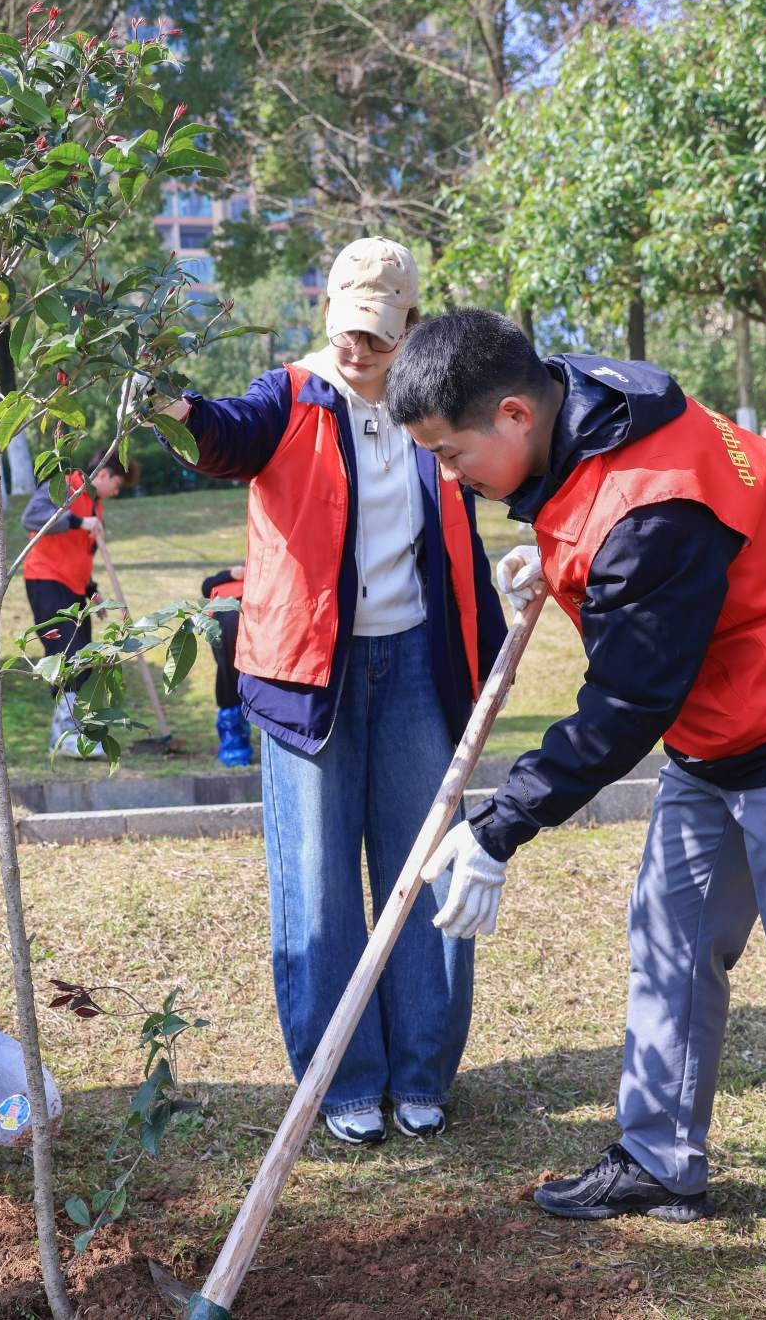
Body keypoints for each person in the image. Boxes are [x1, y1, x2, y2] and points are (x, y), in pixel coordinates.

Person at [388, 310, 766, 1320]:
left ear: (513, 413)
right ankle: (659, 1157)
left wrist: (500, 826)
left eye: (451, 455)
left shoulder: (652, 508)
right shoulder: (585, 397)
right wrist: (554, 555)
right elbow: (603, 531)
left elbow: (625, 704)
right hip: (718, 723)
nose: (447, 477)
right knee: (669, 939)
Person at [153, 237, 505, 1143]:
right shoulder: (292, 395)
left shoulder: (435, 402)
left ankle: (422, 1069)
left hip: (419, 666)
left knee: (423, 867)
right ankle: (342, 1081)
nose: (360, 349)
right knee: (318, 881)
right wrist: (171, 405)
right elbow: (224, 435)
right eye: (349, 329)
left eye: (380, 336)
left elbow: (492, 486)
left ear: (411, 328)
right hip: (312, 673)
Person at [21, 459, 131, 759]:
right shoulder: (64, 487)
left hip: (74, 588)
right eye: (117, 485)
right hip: (46, 580)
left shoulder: (96, 506)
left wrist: (91, 591)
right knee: (68, 656)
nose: (116, 492)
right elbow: (32, 518)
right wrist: (80, 522)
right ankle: (66, 736)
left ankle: (73, 734)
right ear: (104, 474)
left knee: (83, 658)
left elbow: (79, 555)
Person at [200, 563, 250, 766]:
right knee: (231, 683)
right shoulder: (224, 581)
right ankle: (235, 751)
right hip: (230, 620)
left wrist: (231, 573)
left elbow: (206, 586)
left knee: (229, 682)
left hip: (229, 620)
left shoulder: (223, 582)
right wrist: (231, 573)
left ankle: (235, 752)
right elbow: (206, 585)